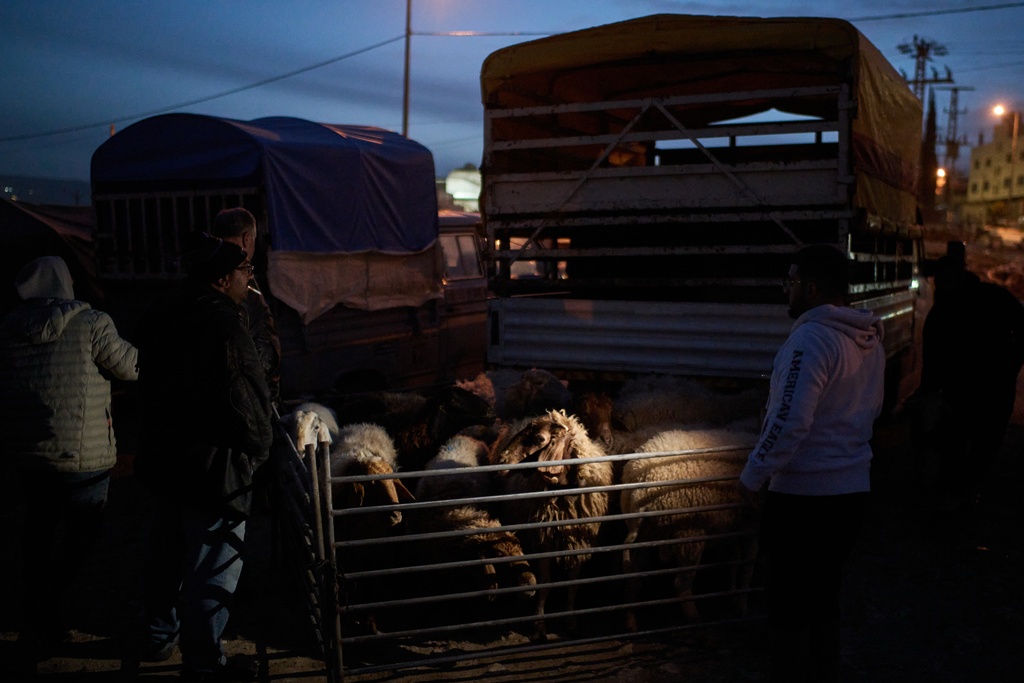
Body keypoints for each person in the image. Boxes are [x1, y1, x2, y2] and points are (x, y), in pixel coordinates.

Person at [738, 243, 886, 683]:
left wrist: (752, 475)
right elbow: (871, 409)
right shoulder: (868, 338)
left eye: (793, 282)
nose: (788, 290)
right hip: (852, 492)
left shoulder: (811, 338)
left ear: (813, 288)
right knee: (824, 599)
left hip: (806, 498)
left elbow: (789, 420)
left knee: (787, 606)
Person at [134, 233, 272, 681]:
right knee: (214, 566)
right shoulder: (222, 322)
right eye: (244, 271)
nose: (248, 278)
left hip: (164, 457)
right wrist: (261, 448)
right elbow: (244, 395)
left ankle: (157, 640)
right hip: (213, 466)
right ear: (222, 278)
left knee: (165, 556)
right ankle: (205, 663)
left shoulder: (165, 308)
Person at [0, 255, 138, 664]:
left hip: (30, 457)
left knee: (38, 537)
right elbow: (132, 368)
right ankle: (46, 611)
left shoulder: (6, 329)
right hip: (84, 457)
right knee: (82, 539)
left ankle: (38, 618)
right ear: (66, 283)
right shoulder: (92, 323)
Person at [917, 244, 1024, 520]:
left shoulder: (942, 313)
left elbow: (932, 364)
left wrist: (930, 396)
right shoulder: (994, 297)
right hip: (992, 392)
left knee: (958, 448)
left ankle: (955, 497)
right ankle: (963, 494)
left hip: (964, 394)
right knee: (981, 447)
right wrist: (1011, 365)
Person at [209, 207, 282, 407]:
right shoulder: (242, 284)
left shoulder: (202, 274)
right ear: (247, 238)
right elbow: (263, 353)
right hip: (244, 405)